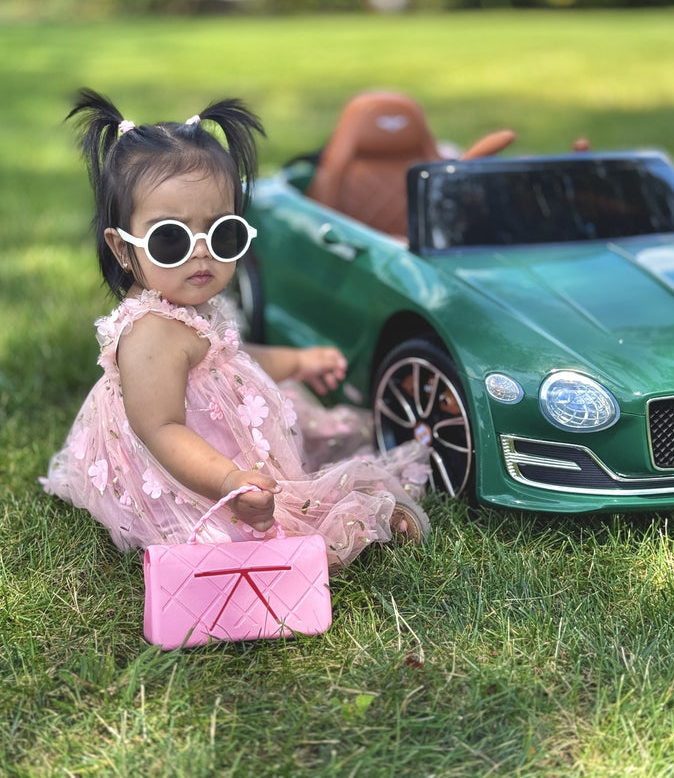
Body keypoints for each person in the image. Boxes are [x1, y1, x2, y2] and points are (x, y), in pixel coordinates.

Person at [41, 90, 431, 571]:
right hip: (185, 470)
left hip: (222, 445)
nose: (201, 251)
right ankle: (355, 518)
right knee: (259, 528)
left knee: (313, 450)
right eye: (170, 238)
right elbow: (160, 429)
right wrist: (228, 482)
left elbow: (234, 362)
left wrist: (297, 362)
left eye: (222, 232)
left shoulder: (193, 303)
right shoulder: (152, 335)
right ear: (123, 250)